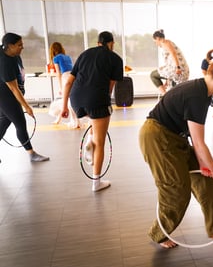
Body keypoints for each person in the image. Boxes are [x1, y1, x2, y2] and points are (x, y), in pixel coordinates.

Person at [138, 53, 213, 249]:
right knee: (176, 190)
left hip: (174, 138)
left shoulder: (202, 92)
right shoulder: (197, 95)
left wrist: (206, 166)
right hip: (157, 138)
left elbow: (196, 142)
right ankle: (158, 233)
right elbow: (199, 143)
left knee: (206, 177)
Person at [61, 31, 123, 192]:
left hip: (75, 98)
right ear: (112, 43)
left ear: (98, 43)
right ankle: (96, 183)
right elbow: (109, 89)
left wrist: (64, 107)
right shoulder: (115, 59)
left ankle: (90, 140)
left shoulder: (85, 54)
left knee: (92, 118)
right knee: (101, 141)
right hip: (95, 99)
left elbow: (69, 81)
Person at [0, 32, 49, 163]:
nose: (22, 47)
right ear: (10, 46)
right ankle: (31, 153)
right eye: (19, 45)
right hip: (6, 97)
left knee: (3, 125)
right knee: (20, 123)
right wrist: (26, 106)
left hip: (11, 95)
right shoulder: (4, 62)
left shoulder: (14, 55)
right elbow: (13, 88)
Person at [48, 42, 79, 128]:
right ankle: (61, 120)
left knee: (66, 100)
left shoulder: (56, 58)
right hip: (73, 77)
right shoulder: (67, 57)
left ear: (53, 50)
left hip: (65, 77)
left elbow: (58, 73)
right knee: (69, 99)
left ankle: (74, 122)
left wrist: (61, 87)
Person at [150, 29, 189, 95]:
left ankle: (165, 96)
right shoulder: (168, 43)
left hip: (179, 70)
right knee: (172, 90)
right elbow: (171, 60)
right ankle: (168, 97)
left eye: (155, 42)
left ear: (158, 38)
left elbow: (173, 53)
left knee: (153, 75)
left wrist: (178, 67)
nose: (156, 44)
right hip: (181, 71)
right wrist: (167, 78)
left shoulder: (165, 42)